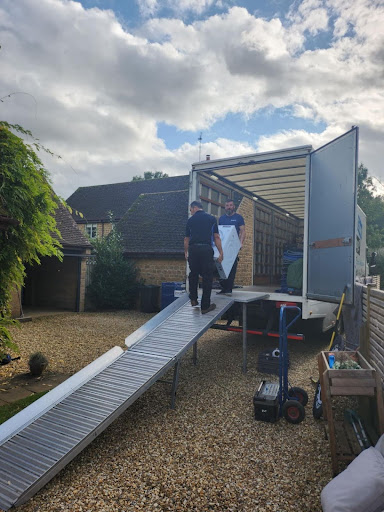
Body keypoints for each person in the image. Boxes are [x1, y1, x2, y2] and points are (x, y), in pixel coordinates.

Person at [184, 201, 223, 314]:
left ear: (195, 208)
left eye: (191, 210)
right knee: (207, 277)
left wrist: (186, 252)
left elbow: (186, 239)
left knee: (193, 274)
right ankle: (205, 306)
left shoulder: (190, 221)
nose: (190, 212)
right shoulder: (211, 219)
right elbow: (216, 237)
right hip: (206, 249)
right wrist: (221, 252)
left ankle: (193, 299)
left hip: (193, 249)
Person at [217, 199, 245, 296]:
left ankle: (229, 289)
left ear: (234, 207)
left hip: (233, 247)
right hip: (222, 246)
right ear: (225, 207)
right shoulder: (221, 219)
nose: (229, 207)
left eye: (230, 205)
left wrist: (240, 243)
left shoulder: (238, 218)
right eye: (227, 205)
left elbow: (242, 231)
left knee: (232, 267)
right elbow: (219, 232)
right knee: (220, 266)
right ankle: (223, 288)